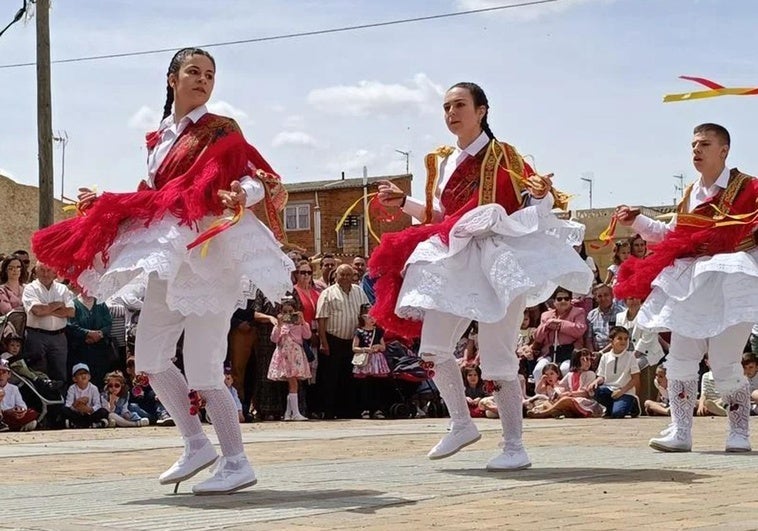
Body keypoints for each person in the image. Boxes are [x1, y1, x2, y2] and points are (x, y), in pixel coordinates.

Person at [31, 48, 294, 493]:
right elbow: (153, 195)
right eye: (194, 71)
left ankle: (236, 460)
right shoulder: (158, 139)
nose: (203, 80)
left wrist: (241, 198)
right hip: (170, 253)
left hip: (210, 247)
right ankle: (196, 443)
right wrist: (104, 204)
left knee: (204, 365)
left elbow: (256, 177)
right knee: (151, 358)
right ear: (172, 79)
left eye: (210, 74)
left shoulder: (221, 129)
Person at [370, 82, 593, 470]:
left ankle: (513, 445)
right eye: (446, 107)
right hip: (455, 256)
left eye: (459, 105)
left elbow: (535, 199)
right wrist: (403, 202)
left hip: (497, 258)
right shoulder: (441, 161)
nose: (451, 113)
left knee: (497, 355)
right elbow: (441, 217)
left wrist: (540, 192)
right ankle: (461, 423)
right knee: (433, 348)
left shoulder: (504, 154)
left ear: (482, 110)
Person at [615, 123, 758, 452]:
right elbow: (671, 237)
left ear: (724, 151)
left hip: (733, 280)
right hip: (691, 282)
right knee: (680, 357)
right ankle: (680, 430)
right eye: (693, 144)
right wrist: (637, 220)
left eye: (704, 144)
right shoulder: (691, 193)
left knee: (724, 363)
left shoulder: (750, 187)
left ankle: (739, 432)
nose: (696, 150)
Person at [316, 264, 370, 419]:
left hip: (353, 341)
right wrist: (323, 342)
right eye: (342, 275)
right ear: (336, 276)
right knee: (331, 377)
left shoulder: (359, 291)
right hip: (333, 340)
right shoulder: (327, 293)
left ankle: (348, 410)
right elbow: (321, 319)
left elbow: (365, 311)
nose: (345, 278)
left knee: (350, 377)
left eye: (348, 275)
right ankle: (328, 411)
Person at [21, 262, 75, 383]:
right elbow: (37, 310)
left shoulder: (62, 289)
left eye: (49, 270)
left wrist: (46, 310)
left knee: (60, 373)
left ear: (55, 271)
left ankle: (60, 400)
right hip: (36, 336)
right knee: (38, 372)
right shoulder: (30, 288)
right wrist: (58, 305)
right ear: (36, 271)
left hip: (59, 337)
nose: (45, 274)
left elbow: (71, 312)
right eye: (42, 270)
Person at [268, 297, 311, 421]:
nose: (288, 315)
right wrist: (279, 325)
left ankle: (289, 413)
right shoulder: (279, 325)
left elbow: (307, 335)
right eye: (285, 312)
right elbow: (274, 339)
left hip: (295, 354)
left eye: (291, 312)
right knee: (292, 383)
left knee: (293, 383)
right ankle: (295, 413)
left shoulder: (299, 323)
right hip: (284, 356)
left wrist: (302, 322)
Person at [527, 349, 603, 418]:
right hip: (571, 399)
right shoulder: (570, 374)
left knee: (567, 400)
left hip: (584, 402)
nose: (587, 362)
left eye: (589, 359)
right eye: (584, 359)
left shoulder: (590, 374)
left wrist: (569, 394)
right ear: (576, 360)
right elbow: (561, 386)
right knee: (550, 401)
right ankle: (561, 412)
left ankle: (544, 413)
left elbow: (586, 393)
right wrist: (557, 393)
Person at [587, 326, 641, 419]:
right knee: (595, 391)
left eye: (626, 339)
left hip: (625, 391)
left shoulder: (630, 356)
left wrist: (621, 391)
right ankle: (610, 407)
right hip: (610, 390)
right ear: (611, 341)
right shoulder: (605, 357)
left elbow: (635, 379)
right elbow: (602, 377)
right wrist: (594, 382)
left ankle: (632, 404)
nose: (623, 341)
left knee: (617, 414)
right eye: (619, 338)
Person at [352, 304, 391, 420]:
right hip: (365, 360)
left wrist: (378, 346)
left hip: (376, 361)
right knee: (365, 386)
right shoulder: (359, 331)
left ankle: (377, 408)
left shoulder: (378, 331)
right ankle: (365, 409)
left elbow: (383, 347)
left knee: (377, 385)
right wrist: (365, 349)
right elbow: (354, 348)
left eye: (374, 317)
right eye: (370, 317)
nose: (373, 319)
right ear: (363, 317)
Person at [63, 363, 111, 428]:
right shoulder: (72, 388)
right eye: (80, 374)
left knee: (103, 411)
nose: (83, 375)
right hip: (77, 413)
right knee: (64, 410)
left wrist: (89, 409)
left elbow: (98, 405)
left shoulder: (94, 388)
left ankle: (79, 424)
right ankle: (91, 424)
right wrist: (77, 403)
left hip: (90, 413)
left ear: (89, 376)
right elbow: (68, 405)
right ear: (74, 379)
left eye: (85, 373)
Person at [0, 359, 39, 431]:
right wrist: (8, 411)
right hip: (3, 415)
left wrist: (20, 411)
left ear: (9, 374)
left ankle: (14, 426)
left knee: (32, 413)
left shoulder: (14, 388)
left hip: (13, 416)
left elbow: (22, 405)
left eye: (3, 372)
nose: (1, 375)